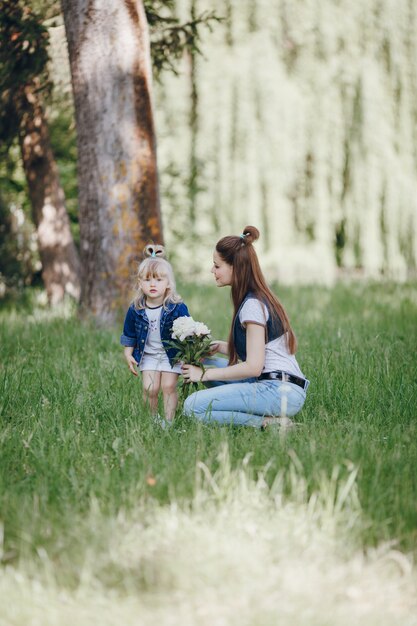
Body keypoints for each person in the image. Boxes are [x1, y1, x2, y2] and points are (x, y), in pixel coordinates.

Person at [181, 226, 309, 429]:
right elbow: (259, 353)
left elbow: (253, 366)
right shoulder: (256, 297)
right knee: (208, 362)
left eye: (216, 266)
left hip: (279, 392)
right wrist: (222, 347)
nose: (212, 271)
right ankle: (245, 410)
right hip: (278, 385)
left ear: (235, 267)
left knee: (192, 407)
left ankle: (267, 423)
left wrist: (204, 375)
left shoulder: (252, 306)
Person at [120, 244, 190, 427]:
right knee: (149, 388)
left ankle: (169, 421)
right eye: (148, 280)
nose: (153, 284)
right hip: (148, 355)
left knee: (168, 386)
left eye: (159, 280)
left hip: (171, 355)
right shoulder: (136, 308)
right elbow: (129, 333)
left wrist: (188, 354)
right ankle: (150, 420)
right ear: (139, 283)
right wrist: (128, 353)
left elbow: (187, 329)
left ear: (168, 284)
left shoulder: (176, 306)